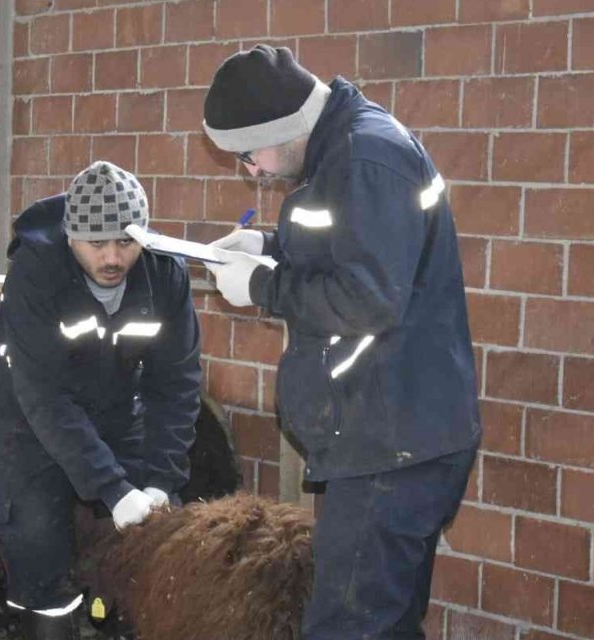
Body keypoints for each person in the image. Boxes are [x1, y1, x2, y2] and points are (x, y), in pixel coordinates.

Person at [201, 44, 481, 638]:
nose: (251, 171)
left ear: (286, 127)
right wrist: (269, 247)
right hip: (389, 432)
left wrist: (265, 286)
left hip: (392, 441)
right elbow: (351, 246)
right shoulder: (342, 151)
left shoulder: (365, 157)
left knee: (347, 626)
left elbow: (371, 297)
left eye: (249, 154)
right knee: (387, 623)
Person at [0, 160, 202, 640]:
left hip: (115, 405)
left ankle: (127, 620)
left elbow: (176, 383)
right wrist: (113, 488)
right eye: (95, 243)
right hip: (27, 413)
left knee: (159, 532)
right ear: (70, 236)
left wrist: (161, 479)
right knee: (37, 535)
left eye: (125, 242)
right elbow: (44, 395)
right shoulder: (36, 274)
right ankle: (47, 618)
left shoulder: (164, 274)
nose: (112, 258)